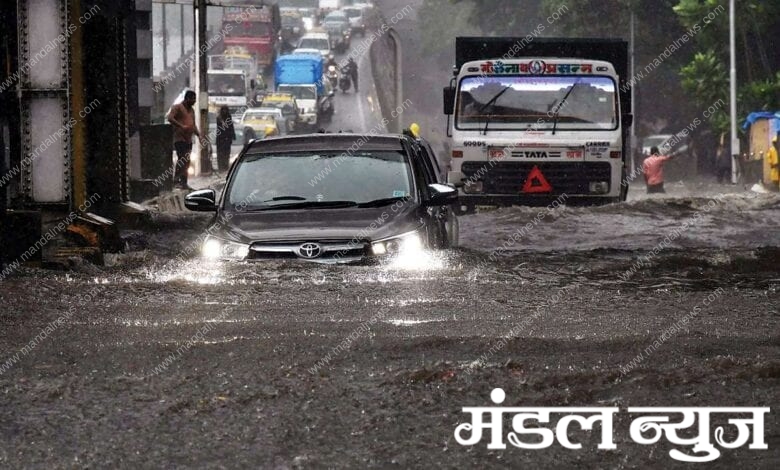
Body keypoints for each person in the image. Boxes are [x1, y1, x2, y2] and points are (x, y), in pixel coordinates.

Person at [167, 90, 200, 189]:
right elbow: (170, 118)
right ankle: (176, 180)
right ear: (187, 99)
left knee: (187, 161)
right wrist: (181, 126)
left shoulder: (192, 111)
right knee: (182, 158)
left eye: (195, 99)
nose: (194, 101)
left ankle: (184, 182)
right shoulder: (177, 107)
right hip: (179, 138)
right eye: (192, 99)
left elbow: (193, 124)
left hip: (188, 139)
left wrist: (199, 135)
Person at [215, 106, 236, 173]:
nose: (224, 112)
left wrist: (232, 136)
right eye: (223, 110)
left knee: (226, 155)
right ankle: (221, 168)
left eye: (225, 110)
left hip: (227, 140)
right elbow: (219, 129)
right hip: (220, 140)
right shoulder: (219, 118)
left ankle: (225, 167)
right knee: (220, 155)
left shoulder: (228, 117)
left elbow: (231, 127)